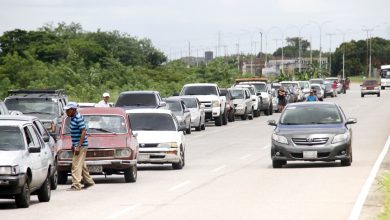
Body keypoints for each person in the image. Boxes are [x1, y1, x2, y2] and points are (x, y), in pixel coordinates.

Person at [64, 102, 94, 191]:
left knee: (75, 165)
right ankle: (89, 182)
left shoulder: (78, 118)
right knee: (82, 164)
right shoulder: (73, 118)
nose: (66, 112)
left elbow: (83, 131)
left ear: (73, 110)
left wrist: (78, 146)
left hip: (81, 146)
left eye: (68, 110)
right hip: (77, 145)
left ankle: (76, 185)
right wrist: (73, 145)